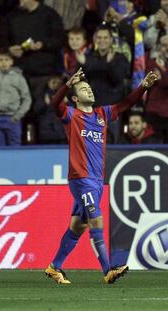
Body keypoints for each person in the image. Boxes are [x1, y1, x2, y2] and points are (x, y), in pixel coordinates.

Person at [44, 68, 159, 284]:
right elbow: (55, 104)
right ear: (76, 98)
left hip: (96, 180)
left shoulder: (102, 114)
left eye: (89, 87)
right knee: (96, 219)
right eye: (84, 89)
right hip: (81, 178)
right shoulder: (71, 115)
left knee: (78, 226)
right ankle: (108, 270)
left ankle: (54, 267)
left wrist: (144, 86)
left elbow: (125, 104)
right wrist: (67, 84)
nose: (89, 90)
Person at [0, 50, 31, 146]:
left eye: (6, 60)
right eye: (0, 60)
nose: (3, 63)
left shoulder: (18, 78)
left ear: (11, 62)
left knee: (15, 149)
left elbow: (27, 99)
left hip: (12, 117)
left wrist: (17, 116)